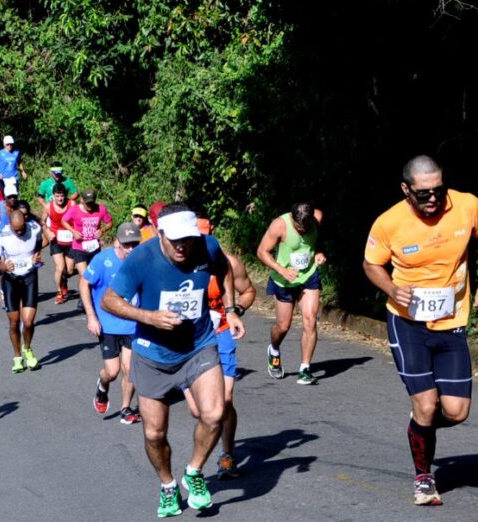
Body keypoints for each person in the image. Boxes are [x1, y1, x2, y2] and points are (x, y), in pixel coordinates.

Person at [362, 155, 478, 506]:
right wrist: (392, 289)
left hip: (451, 323)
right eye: (424, 193)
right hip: (407, 323)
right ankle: (424, 477)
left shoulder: (466, 206)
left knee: (456, 411)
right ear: (406, 189)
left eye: (438, 189)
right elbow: (371, 264)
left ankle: (419, 424)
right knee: (426, 404)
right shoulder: (389, 223)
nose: (434, 199)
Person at [102, 203, 246, 517]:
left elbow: (224, 270)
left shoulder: (207, 246)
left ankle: (193, 472)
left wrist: (231, 309)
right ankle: (168, 486)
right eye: (175, 239)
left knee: (214, 413)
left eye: (188, 239)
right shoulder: (143, 257)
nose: (182, 246)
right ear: (160, 233)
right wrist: (148, 316)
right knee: (154, 433)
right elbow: (109, 300)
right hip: (153, 354)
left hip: (199, 345)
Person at [199, 218, 257, 479]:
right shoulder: (181, 265)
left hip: (221, 333)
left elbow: (249, 291)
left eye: (204, 235)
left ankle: (226, 455)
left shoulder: (230, 263)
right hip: (195, 337)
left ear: (212, 234)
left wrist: (236, 312)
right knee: (202, 408)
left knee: (225, 400)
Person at [256, 201, 326, 385]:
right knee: (283, 326)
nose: (303, 230)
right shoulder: (280, 225)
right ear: (292, 219)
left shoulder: (317, 217)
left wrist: (319, 252)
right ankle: (274, 349)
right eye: (298, 227)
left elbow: (317, 239)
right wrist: (281, 270)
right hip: (284, 281)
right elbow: (262, 252)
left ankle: (305, 369)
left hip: (309, 276)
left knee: (310, 319)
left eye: (306, 226)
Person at [82, 222, 142, 424]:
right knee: (113, 371)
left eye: (135, 244)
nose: (131, 249)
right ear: (117, 242)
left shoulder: (142, 262)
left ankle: (125, 408)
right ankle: (102, 385)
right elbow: (84, 283)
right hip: (107, 324)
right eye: (127, 245)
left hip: (133, 325)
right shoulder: (102, 260)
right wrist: (91, 315)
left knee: (129, 368)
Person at [0, 210, 44, 373]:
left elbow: (40, 242)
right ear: (11, 226)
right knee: (14, 322)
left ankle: (27, 349)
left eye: (22, 229)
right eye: (16, 230)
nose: (20, 232)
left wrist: (36, 255)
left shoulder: (34, 228)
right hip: (10, 280)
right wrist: (3, 267)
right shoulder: (2, 236)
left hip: (29, 278)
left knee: (28, 322)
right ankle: (17, 356)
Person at [60, 189, 113, 301]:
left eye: (92, 202)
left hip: (94, 247)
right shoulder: (75, 210)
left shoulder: (101, 209)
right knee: (85, 275)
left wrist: (102, 230)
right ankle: (84, 300)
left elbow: (110, 222)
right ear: (82, 200)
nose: (90, 205)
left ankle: (84, 297)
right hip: (79, 247)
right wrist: (73, 231)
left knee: (92, 275)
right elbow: (64, 221)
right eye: (87, 202)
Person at [42, 183, 76, 304]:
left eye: (62, 196)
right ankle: (59, 292)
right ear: (53, 196)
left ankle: (64, 280)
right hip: (56, 240)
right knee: (60, 267)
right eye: (57, 196)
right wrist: (47, 232)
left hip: (70, 240)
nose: (60, 199)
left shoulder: (72, 204)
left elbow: (78, 219)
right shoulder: (48, 207)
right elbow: (43, 221)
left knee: (70, 270)